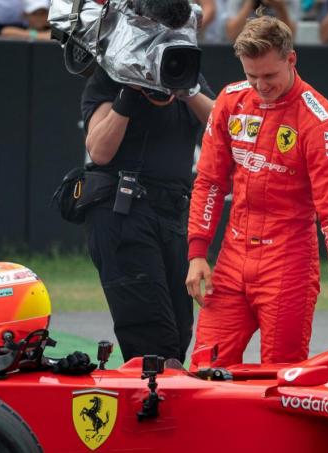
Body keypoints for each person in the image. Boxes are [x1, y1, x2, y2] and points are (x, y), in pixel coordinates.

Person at [186, 16, 328, 367]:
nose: (260, 86)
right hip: (232, 259)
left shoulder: (325, 125)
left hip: (288, 266)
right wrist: (197, 252)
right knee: (205, 371)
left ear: (291, 60)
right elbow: (209, 181)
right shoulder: (230, 101)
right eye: (251, 76)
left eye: (269, 76)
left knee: (279, 380)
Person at [80, 62, 214, 363]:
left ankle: (160, 400)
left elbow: (225, 123)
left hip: (172, 212)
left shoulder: (183, 69)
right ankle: (153, 400)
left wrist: (186, 90)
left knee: (179, 331)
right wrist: (130, 91)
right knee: (152, 336)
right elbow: (99, 152)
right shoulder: (112, 73)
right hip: (122, 211)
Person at [225, 0, 300, 42]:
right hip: (245, 46)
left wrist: (280, 7)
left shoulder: (290, 2)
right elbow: (232, 35)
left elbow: (290, 37)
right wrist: (250, 3)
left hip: (277, 47)